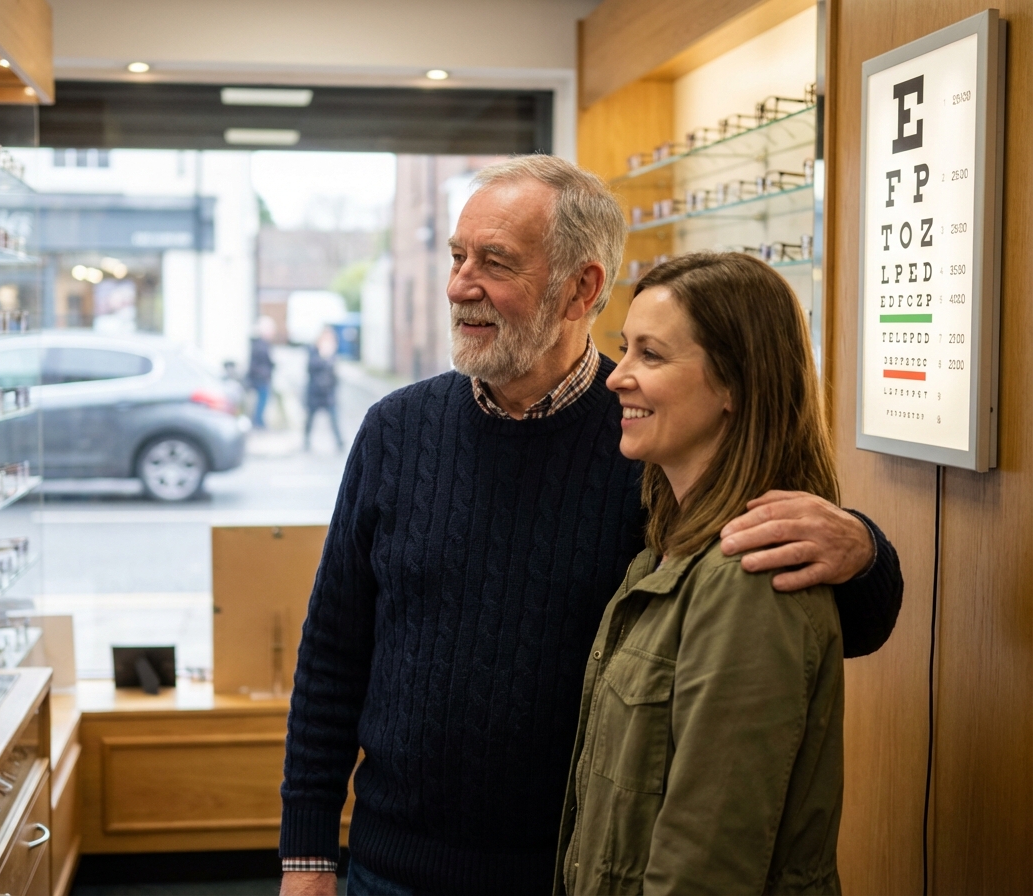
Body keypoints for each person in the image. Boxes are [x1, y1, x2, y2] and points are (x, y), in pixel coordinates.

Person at [279, 156, 902, 896]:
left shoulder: (651, 436)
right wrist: (308, 853)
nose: (459, 285)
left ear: (582, 288)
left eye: (494, 262)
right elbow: (332, 653)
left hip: (573, 872)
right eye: (456, 257)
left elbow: (810, 616)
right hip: (390, 870)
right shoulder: (396, 430)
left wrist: (863, 550)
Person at [556, 253, 845, 896]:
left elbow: (705, 862)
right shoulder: (666, 551)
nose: (616, 377)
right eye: (624, 349)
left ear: (735, 386)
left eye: (651, 356)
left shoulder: (750, 577)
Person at [304, 327, 344, 451]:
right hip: (315, 392)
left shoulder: (333, 354)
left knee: (334, 418)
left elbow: (334, 373)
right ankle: (305, 440)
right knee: (310, 418)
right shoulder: (314, 351)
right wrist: (323, 357)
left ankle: (339, 442)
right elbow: (310, 368)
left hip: (328, 393)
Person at [248, 315, 277, 429]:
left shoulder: (260, 344)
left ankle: (259, 422)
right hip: (261, 378)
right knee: (261, 401)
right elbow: (260, 362)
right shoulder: (260, 345)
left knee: (262, 400)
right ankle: (258, 422)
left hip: (262, 377)